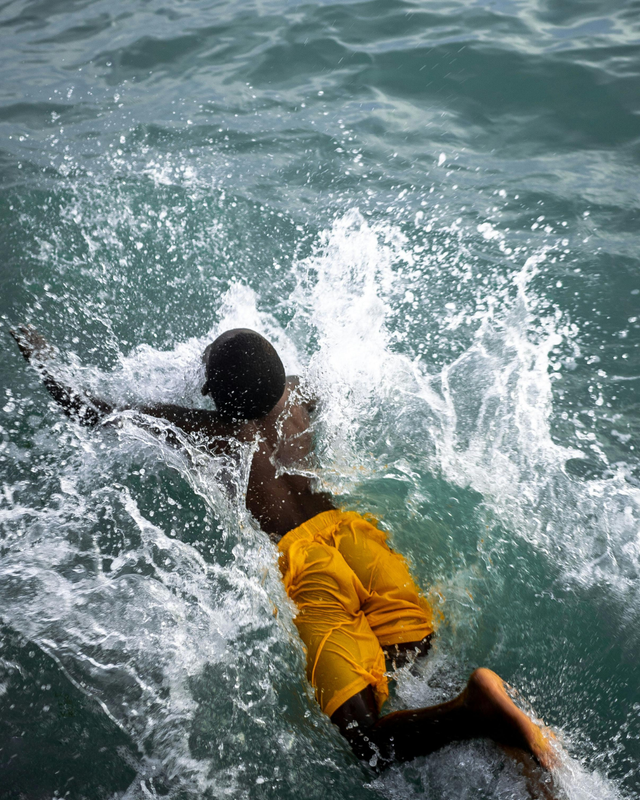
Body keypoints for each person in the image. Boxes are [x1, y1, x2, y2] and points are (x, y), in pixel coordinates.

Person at [10, 324, 557, 776]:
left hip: (308, 566)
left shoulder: (209, 431)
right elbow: (345, 374)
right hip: (355, 537)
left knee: (367, 744)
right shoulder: (296, 395)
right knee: (414, 663)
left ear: (213, 395)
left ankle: (474, 712)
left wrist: (40, 358)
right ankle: (497, 724)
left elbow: (90, 410)